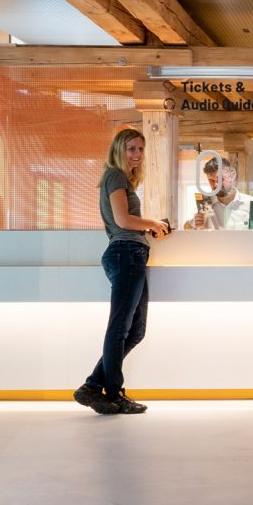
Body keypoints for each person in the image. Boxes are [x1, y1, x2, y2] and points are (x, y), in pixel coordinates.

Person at [76, 127, 171, 416]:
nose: (137, 154)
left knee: (135, 330)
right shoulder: (115, 176)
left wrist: (148, 228)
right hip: (126, 254)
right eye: (131, 148)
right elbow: (123, 220)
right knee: (120, 327)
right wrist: (153, 224)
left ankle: (92, 387)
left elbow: (127, 221)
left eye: (141, 149)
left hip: (132, 253)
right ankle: (113, 393)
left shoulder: (120, 179)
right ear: (119, 150)